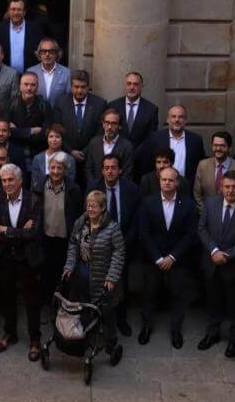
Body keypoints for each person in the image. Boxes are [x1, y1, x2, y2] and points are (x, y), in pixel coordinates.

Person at [197, 170, 235, 358]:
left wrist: (227, 255)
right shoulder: (210, 203)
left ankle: (234, 339)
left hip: (234, 267)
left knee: (234, 305)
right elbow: (202, 228)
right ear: (221, 187)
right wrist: (214, 251)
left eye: (234, 187)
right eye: (227, 187)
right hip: (212, 264)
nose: (230, 191)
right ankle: (212, 334)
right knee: (213, 301)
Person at [137, 166, 198, 349]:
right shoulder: (148, 202)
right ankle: (146, 326)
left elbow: (190, 234)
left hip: (177, 259)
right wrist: (157, 258)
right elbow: (144, 233)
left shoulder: (187, 204)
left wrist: (172, 257)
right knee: (149, 293)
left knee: (178, 295)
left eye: (171, 180)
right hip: (153, 258)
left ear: (177, 182)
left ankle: (176, 329)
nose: (167, 183)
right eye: (164, 179)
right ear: (159, 181)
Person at [63, 189, 125, 364]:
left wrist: (112, 278)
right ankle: (85, 335)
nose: (90, 209)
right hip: (82, 273)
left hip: (103, 277)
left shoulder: (113, 228)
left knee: (106, 310)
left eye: (94, 206)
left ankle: (111, 343)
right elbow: (73, 246)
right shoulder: (80, 223)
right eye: (88, 205)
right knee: (83, 306)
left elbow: (119, 254)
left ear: (103, 208)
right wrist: (69, 266)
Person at [0, 163, 43, 360]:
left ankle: (35, 340)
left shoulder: (34, 200)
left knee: (32, 301)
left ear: (20, 180)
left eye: (11, 179)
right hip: (4, 257)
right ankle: (10, 334)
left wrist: (8, 230)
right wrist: (20, 231)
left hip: (28, 258)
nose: (7, 184)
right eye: (3, 180)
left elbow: (33, 233)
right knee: (6, 298)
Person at [86, 153, 140, 336]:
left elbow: (136, 220)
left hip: (124, 244)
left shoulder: (132, 189)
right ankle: (98, 319)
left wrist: (123, 244)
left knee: (120, 283)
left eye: (113, 167)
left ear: (120, 170)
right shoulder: (93, 188)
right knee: (99, 283)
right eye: (106, 168)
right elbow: (87, 217)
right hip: (99, 246)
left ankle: (121, 319)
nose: (110, 171)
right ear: (102, 170)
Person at [31, 152, 82, 303]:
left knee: (64, 275)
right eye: (52, 167)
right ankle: (48, 304)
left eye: (59, 168)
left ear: (65, 169)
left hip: (65, 240)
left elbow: (78, 215)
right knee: (47, 273)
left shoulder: (74, 190)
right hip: (45, 239)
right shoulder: (38, 187)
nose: (55, 171)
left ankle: (63, 306)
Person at [53, 69, 106, 172]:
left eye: (83, 87)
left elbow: (100, 131)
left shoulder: (100, 104)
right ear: (71, 87)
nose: (80, 91)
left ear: (88, 87)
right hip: (65, 156)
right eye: (76, 87)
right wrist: (70, 151)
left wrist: (85, 151)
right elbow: (56, 130)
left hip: (91, 157)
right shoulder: (61, 102)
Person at [139, 105, 205, 186]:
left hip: (186, 188)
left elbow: (200, 168)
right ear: (168, 120)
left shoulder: (195, 140)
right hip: (161, 187)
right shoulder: (155, 138)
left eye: (180, 117)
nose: (177, 120)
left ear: (185, 120)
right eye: (173, 116)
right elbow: (147, 164)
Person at [193, 131, 235, 212]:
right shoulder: (203, 165)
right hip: (205, 215)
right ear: (211, 146)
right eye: (215, 145)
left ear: (229, 148)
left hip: (229, 215)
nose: (218, 149)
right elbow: (197, 193)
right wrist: (206, 213)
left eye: (222, 146)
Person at [107, 71, 160, 149]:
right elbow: (108, 132)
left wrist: (135, 155)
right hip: (116, 156)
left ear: (141, 86)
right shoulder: (113, 106)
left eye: (136, 84)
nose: (132, 87)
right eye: (129, 84)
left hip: (140, 157)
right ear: (125, 86)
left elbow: (150, 138)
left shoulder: (151, 110)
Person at [83, 108, 135, 185]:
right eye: (107, 123)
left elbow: (127, 173)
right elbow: (88, 169)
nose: (109, 127)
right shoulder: (94, 142)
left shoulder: (127, 146)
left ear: (119, 126)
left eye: (114, 123)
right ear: (103, 124)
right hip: (96, 190)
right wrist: (94, 185)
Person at [7, 72, 53, 157]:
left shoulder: (45, 105)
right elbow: (8, 133)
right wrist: (31, 131)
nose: (29, 88)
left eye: (33, 85)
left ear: (37, 87)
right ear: (20, 86)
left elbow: (45, 134)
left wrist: (18, 132)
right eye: (26, 84)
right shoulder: (10, 104)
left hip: (38, 152)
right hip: (16, 153)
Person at [0, 0, 43, 73]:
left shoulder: (35, 29)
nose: (16, 13)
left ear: (24, 12)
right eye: (13, 9)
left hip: (29, 76)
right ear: (8, 11)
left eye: (19, 10)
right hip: (6, 76)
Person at [27, 38, 71, 107]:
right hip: (37, 115)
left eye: (51, 51)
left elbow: (69, 99)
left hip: (58, 115)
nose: (47, 54)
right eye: (44, 51)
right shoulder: (30, 72)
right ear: (39, 54)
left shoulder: (67, 73)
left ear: (56, 53)